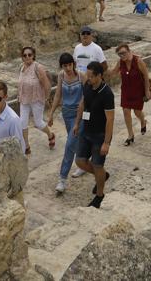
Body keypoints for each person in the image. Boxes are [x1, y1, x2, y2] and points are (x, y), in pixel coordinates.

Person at [72, 61, 115, 208]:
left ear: (99, 76)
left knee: (97, 165)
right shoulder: (87, 86)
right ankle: (102, 176)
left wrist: (107, 142)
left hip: (99, 135)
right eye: (87, 75)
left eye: (91, 76)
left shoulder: (107, 94)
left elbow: (110, 120)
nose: (88, 78)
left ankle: (99, 195)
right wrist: (77, 123)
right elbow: (83, 104)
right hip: (86, 131)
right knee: (80, 161)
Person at [47, 52, 85, 194]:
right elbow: (58, 95)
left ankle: (62, 179)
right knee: (76, 141)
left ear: (73, 64)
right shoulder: (61, 76)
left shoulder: (81, 76)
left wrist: (79, 119)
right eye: (65, 65)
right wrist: (51, 114)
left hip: (79, 115)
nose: (68, 68)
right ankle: (83, 164)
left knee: (69, 145)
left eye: (69, 65)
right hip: (66, 113)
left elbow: (85, 97)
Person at [109, 44, 151, 146]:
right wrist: (102, 69)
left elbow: (146, 76)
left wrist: (147, 91)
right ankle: (130, 135)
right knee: (126, 111)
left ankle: (143, 121)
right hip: (126, 91)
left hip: (138, 91)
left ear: (129, 51)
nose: (122, 56)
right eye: (120, 54)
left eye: (123, 53)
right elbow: (113, 72)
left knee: (137, 112)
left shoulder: (138, 61)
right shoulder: (120, 62)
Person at [17, 46, 55, 154]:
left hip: (36, 99)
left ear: (33, 56)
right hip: (24, 99)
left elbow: (46, 85)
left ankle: (50, 135)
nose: (27, 57)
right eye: (25, 55)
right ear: (22, 57)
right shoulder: (21, 67)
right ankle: (26, 146)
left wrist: (47, 97)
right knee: (22, 123)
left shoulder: (38, 68)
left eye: (30, 54)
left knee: (38, 123)